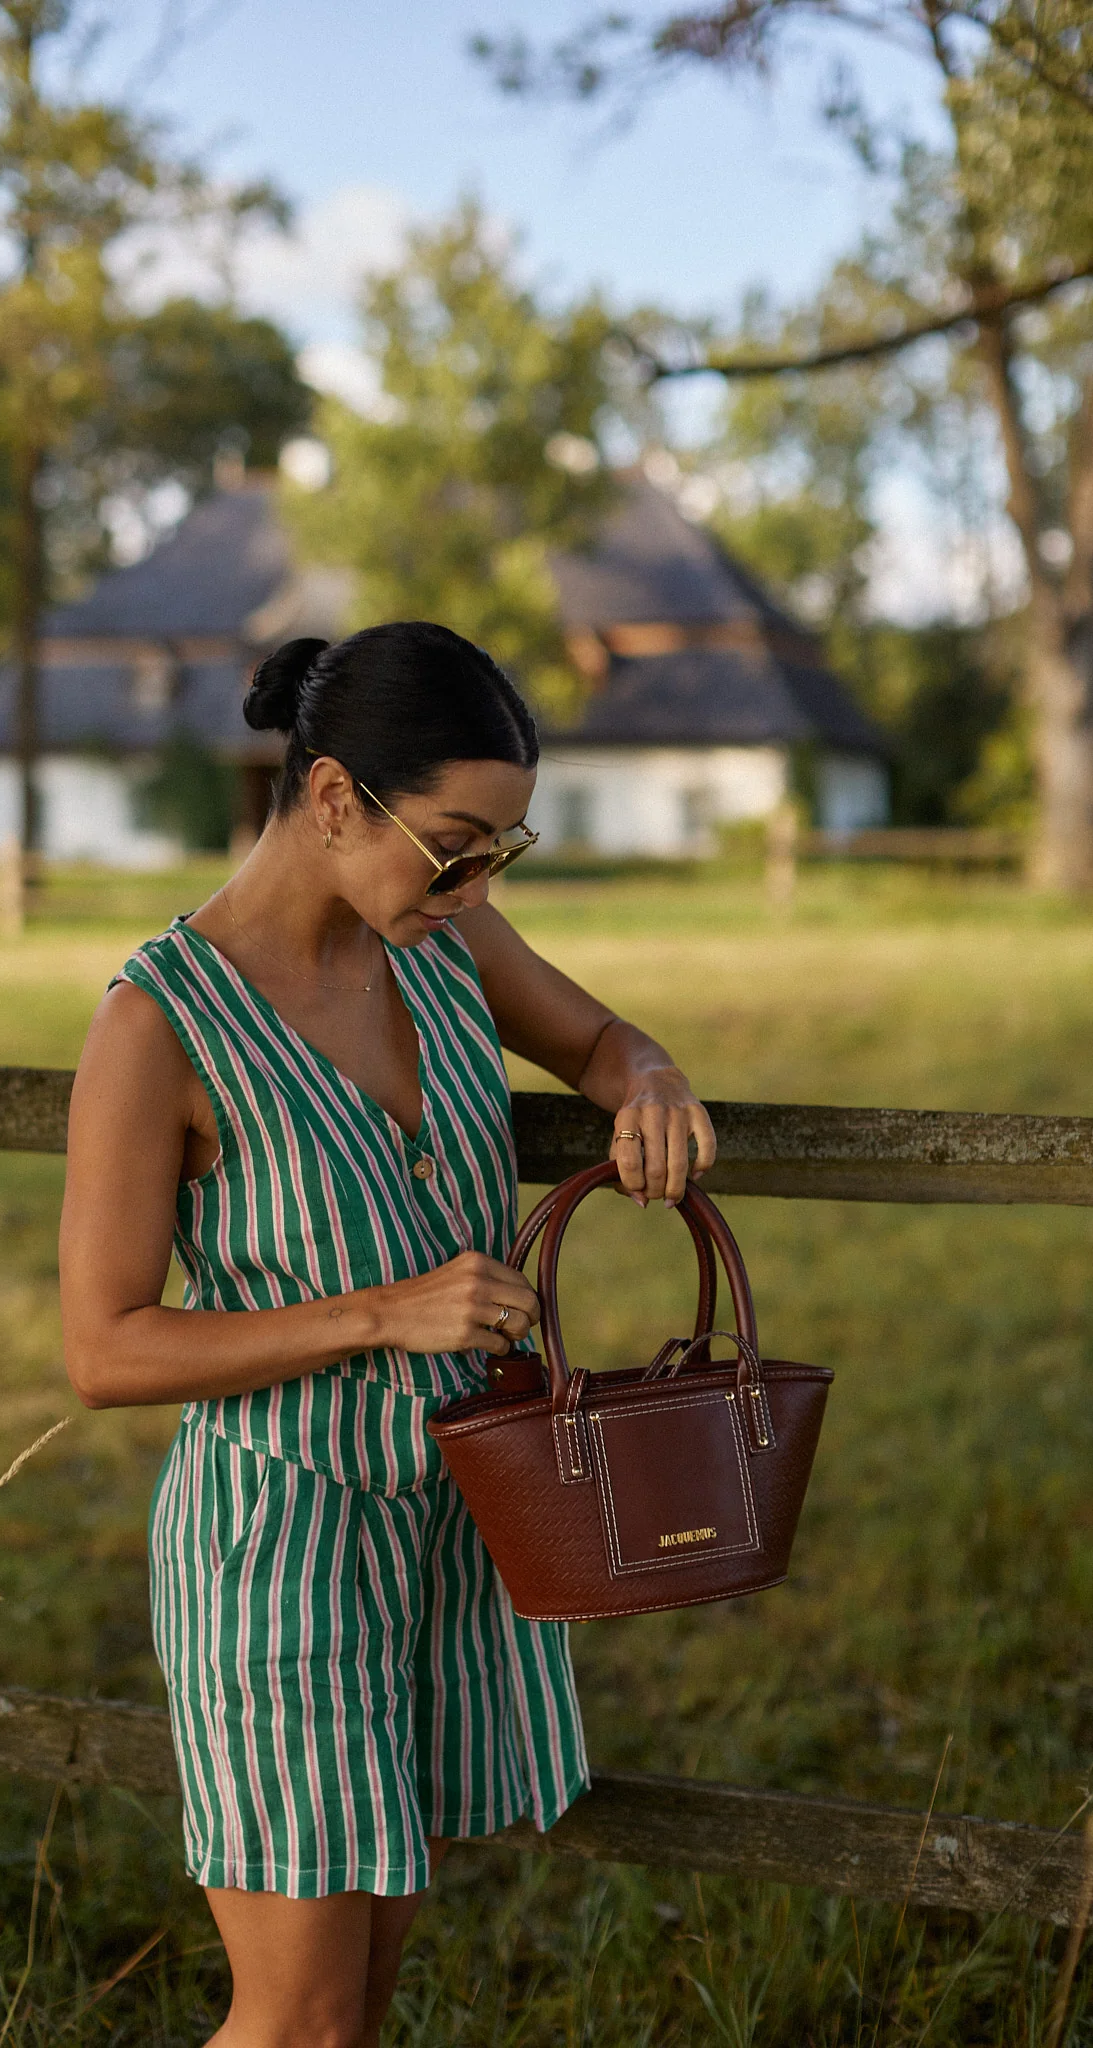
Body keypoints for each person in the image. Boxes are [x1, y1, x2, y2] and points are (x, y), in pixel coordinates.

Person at [59, 622, 717, 2048]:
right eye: (456, 848)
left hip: (455, 1531)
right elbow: (104, 1351)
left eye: (502, 852)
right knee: (294, 2020)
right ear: (334, 797)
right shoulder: (158, 1025)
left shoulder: (440, 939)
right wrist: (382, 1312)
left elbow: (597, 1042)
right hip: (279, 1552)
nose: (479, 885)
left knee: (357, 2012)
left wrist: (652, 1075)